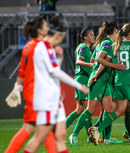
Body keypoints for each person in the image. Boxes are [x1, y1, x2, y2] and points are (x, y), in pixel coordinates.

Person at [23, 18, 88, 153]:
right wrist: (79, 85)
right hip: (45, 99)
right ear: (58, 36)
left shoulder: (49, 48)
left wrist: (59, 58)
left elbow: (52, 70)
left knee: (60, 136)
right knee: (41, 137)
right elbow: (54, 71)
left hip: (53, 97)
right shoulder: (42, 47)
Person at [5, 17, 56, 153]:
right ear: (39, 30)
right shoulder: (42, 47)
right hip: (39, 93)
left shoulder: (28, 46)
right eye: (45, 26)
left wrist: (17, 88)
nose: (48, 28)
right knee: (34, 128)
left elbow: (22, 70)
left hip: (30, 92)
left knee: (42, 127)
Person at [69, 21, 125, 146]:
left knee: (109, 109)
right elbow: (100, 60)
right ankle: (74, 134)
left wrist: (111, 66)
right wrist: (97, 73)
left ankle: (107, 137)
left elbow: (95, 59)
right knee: (90, 109)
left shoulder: (102, 43)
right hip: (98, 80)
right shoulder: (108, 43)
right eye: (118, 30)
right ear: (115, 31)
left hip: (105, 81)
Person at [65, 28, 94, 143]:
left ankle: (60, 131)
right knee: (88, 109)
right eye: (91, 35)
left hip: (81, 79)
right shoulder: (83, 47)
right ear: (85, 37)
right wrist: (91, 65)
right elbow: (78, 61)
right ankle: (88, 136)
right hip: (83, 80)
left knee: (80, 109)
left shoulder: (86, 48)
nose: (94, 36)